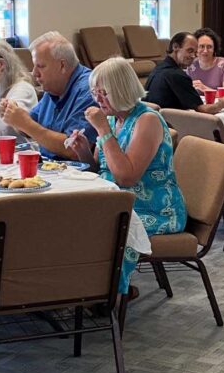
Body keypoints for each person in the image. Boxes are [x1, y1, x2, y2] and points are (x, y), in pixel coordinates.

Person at [69, 57, 186, 295]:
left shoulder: (147, 120)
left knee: (103, 232)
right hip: (117, 201)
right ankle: (80, 291)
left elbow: (126, 177)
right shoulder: (114, 119)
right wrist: (82, 150)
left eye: (103, 93)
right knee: (70, 222)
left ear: (121, 90)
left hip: (154, 209)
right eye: (94, 93)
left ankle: (107, 295)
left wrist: (102, 130)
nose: (97, 99)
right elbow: (101, 169)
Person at [0, 31, 94, 159]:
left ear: (62, 65)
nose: (34, 73)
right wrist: (14, 116)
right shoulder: (54, 87)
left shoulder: (89, 89)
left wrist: (25, 123)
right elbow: (31, 128)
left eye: (40, 66)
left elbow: (73, 149)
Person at [144, 32, 224, 113]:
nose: (193, 56)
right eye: (190, 51)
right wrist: (221, 104)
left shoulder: (157, 69)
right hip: (172, 123)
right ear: (175, 47)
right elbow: (203, 110)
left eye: (195, 52)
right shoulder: (177, 75)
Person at [187, 27, 224, 93]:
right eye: (201, 46)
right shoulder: (191, 65)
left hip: (218, 100)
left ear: (214, 49)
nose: (205, 51)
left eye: (209, 47)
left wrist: (204, 88)